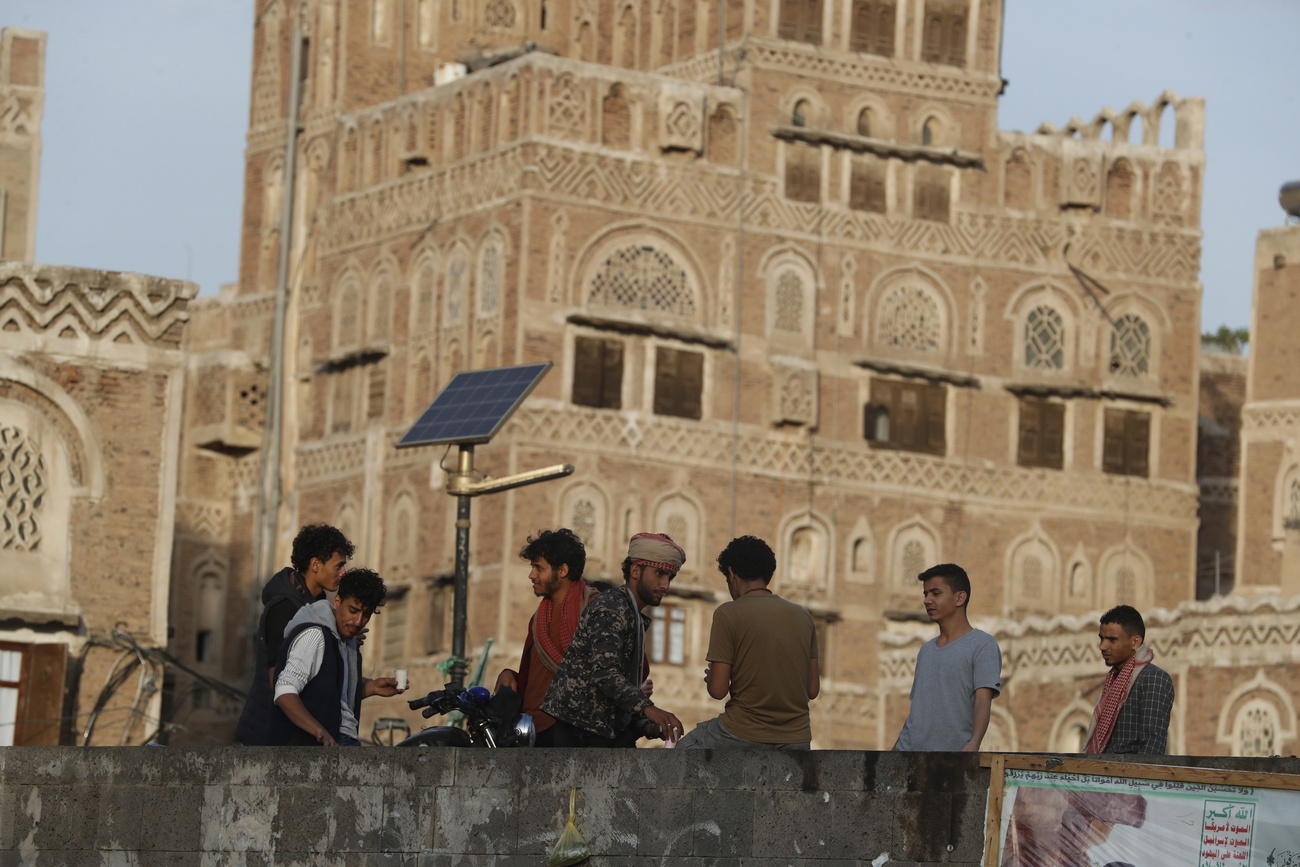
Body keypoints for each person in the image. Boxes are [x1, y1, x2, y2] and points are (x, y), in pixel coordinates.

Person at [541, 532, 686, 747]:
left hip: (602, 733)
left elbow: (620, 691)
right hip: (579, 732)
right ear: (636, 571)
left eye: (669, 578)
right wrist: (649, 709)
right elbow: (605, 675)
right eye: (659, 574)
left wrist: (647, 725)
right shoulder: (611, 607)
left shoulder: (633, 614)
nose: (665, 585)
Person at [678, 535, 820, 750]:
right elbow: (812, 689)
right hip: (797, 737)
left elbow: (717, 690)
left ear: (732, 574)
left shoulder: (728, 613)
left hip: (741, 732)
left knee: (683, 751)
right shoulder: (803, 616)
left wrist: (713, 678)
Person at [234, 523, 354, 745]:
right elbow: (277, 679)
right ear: (316, 565)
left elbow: (320, 678)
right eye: (338, 566)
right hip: (272, 737)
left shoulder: (320, 608)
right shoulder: (284, 609)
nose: (342, 573)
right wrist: (317, 730)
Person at [269, 568, 403, 746]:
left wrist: (370, 687)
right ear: (337, 602)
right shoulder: (315, 635)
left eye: (366, 615)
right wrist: (319, 731)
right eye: (353, 610)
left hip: (344, 738)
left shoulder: (346, 643)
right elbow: (284, 692)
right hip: (317, 746)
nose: (358, 621)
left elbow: (330, 694)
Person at [494, 528, 600, 747]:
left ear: (562, 570)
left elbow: (616, 671)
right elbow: (533, 679)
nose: (532, 575)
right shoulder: (540, 617)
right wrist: (509, 675)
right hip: (532, 729)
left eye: (538, 568)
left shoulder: (595, 608)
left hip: (575, 731)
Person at [894, 563, 1002, 752]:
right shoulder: (926, 650)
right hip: (909, 755)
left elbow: (983, 701)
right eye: (925, 594)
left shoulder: (983, 645)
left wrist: (974, 744)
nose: (927, 600)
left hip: (952, 756)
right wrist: (894, 754)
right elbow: (917, 710)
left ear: (960, 597)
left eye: (935, 593)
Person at [1083, 604, 1173, 754]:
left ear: (1135, 642)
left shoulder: (1153, 678)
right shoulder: (1113, 679)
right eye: (1102, 639)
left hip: (1128, 775)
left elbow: (1152, 746)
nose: (1102, 646)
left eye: (1112, 640)